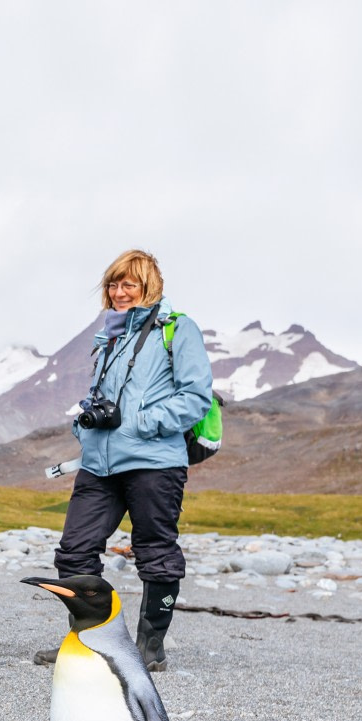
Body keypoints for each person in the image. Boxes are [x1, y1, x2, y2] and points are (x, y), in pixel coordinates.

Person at [39, 249, 214, 671]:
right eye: (113, 285)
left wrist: (141, 424)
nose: (119, 293)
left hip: (155, 461)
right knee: (74, 551)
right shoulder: (109, 337)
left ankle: (149, 649)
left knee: (156, 551)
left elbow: (195, 396)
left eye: (128, 285)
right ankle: (93, 642)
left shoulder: (177, 330)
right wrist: (83, 426)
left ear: (148, 287)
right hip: (99, 463)